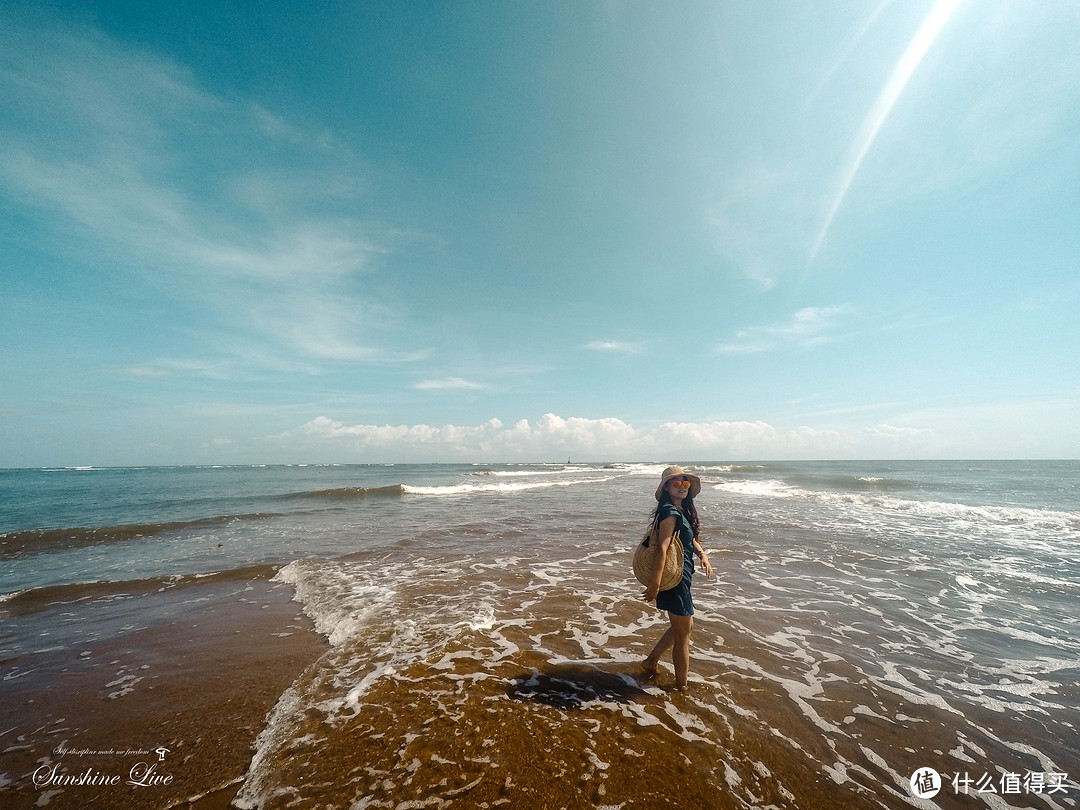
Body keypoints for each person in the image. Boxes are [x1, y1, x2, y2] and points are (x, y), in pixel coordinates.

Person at [641, 465, 712, 689]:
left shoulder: (681, 511)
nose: (682, 487)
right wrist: (655, 584)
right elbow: (662, 548)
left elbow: (688, 540)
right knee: (683, 636)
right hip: (674, 579)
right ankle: (681, 687)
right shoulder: (670, 512)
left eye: (685, 483)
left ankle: (650, 662)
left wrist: (702, 555)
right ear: (666, 488)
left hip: (682, 575)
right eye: (676, 483)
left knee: (684, 628)